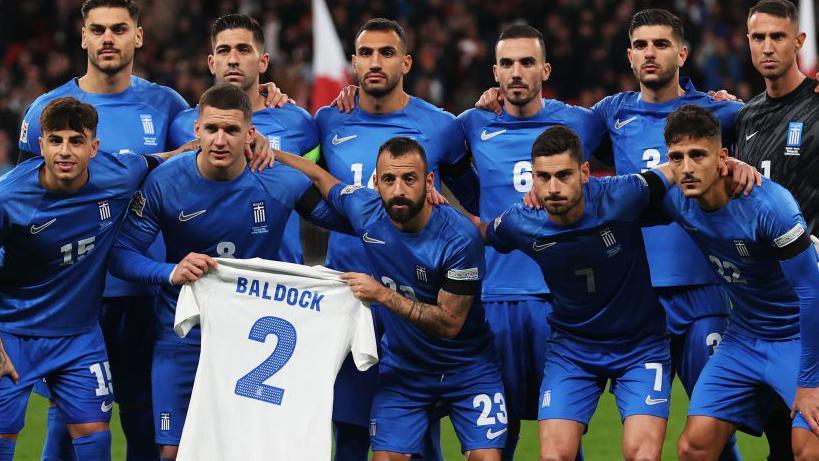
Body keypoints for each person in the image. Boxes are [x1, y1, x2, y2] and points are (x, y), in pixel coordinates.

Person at [108, 83, 346, 461]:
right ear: (196, 131)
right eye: (212, 129)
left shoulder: (277, 178)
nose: (220, 140)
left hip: (252, 338)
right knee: (171, 451)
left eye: (232, 130)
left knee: (245, 450)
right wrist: (170, 272)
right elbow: (121, 253)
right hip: (182, 334)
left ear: (251, 134)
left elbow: (348, 220)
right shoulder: (165, 181)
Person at [16, 2, 189, 458]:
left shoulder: (167, 105)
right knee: (66, 424)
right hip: (71, 299)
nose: (108, 38)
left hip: (144, 290)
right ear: (83, 37)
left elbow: (208, 145)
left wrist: (265, 98)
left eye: (118, 28)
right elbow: (23, 206)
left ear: (139, 36)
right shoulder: (45, 110)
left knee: (142, 416)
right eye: (98, 29)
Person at [274, 137, 506, 461]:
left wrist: (382, 294)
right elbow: (319, 177)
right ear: (375, 183)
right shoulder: (366, 210)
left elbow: (450, 322)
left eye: (409, 179)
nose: (398, 190)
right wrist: (266, 151)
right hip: (404, 371)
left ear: (428, 181)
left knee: (486, 458)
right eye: (389, 179)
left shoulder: (459, 239)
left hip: (467, 369)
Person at [318, 18, 480, 461]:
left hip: (416, 296)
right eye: (366, 53)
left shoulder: (441, 125)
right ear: (352, 61)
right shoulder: (328, 119)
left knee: (418, 425)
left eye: (386, 53)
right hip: (351, 297)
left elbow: (471, 200)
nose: (375, 62)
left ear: (406, 62)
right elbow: (302, 179)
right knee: (348, 428)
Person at [590, 10, 746, 460]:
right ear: (629, 55)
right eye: (640, 45)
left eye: (660, 44)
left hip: (704, 292)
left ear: (682, 53)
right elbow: (546, 131)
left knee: (715, 427)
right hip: (639, 299)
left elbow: (775, 119)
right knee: (639, 436)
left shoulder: (722, 113)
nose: (649, 53)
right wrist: (494, 101)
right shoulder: (611, 113)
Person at [455, 24, 605, 460]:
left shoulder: (581, 123)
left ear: (545, 69)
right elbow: (442, 170)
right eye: (507, 63)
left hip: (560, 302)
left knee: (560, 441)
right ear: (495, 73)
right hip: (494, 298)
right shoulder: (471, 124)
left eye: (526, 62)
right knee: (495, 441)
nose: (516, 72)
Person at [479, 125, 674, 461]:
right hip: (573, 350)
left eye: (563, 175)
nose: (553, 188)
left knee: (641, 455)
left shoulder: (622, 195)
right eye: (543, 177)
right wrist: (434, 204)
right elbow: (482, 231)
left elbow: (675, 168)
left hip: (640, 347)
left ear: (584, 172)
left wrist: (731, 163)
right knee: (555, 456)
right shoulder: (521, 221)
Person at [653, 105, 819, 461]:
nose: (687, 167)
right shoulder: (675, 198)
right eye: (677, 158)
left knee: (809, 449)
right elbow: (615, 198)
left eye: (698, 155)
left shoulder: (770, 206)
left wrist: (810, 382)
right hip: (742, 339)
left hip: (797, 338)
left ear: (722, 157)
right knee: (693, 448)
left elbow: (812, 292)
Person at [168, 13, 318, 265]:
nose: (233, 60)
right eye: (224, 51)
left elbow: (316, 184)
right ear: (211, 62)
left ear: (263, 62)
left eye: (244, 49)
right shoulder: (181, 125)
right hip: (208, 275)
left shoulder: (298, 122)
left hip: (282, 279)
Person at [737, 0, 818, 234]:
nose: (767, 48)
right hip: (764, 265)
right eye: (758, 38)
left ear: (799, 41)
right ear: (748, 41)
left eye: (778, 37)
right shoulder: (745, 116)